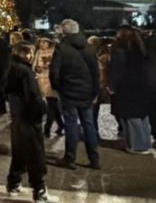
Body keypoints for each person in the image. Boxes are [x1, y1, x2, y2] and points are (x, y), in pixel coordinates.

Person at [49, 19, 100, 171]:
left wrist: (57, 88)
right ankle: (94, 159)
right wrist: (95, 91)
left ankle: (70, 158)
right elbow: (95, 72)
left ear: (65, 32)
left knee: (71, 125)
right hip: (86, 92)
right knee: (89, 125)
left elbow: (54, 71)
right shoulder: (89, 48)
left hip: (68, 92)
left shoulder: (62, 48)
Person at [5, 42, 50, 203]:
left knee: (19, 151)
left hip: (18, 117)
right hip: (29, 117)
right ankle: (39, 189)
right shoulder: (25, 72)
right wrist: (42, 108)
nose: (32, 56)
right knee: (35, 154)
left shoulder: (10, 68)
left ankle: (14, 182)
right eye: (29, 53)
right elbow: (33, 96)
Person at [108, 27, 156, 154]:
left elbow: (117, 71)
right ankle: (145, 143)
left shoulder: (119, 52)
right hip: (143, 87)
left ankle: (136, 145)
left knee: (130, 117)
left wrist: (111, 86)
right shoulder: (144, 50)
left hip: (126, 88)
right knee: (142, 116)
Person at [33, 38, 64, 137]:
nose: (42, 44)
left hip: (52, 81)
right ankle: (61, 125)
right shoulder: (38, 52)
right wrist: (37, 68)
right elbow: (34, 65)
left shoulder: (55, 52)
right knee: (53, 104)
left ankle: (47, 128)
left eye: (44, 42)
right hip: (42, 80)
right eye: (41, 42)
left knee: (51, 103)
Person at [89, 36, 113, 133]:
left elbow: (102, 72)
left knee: (94, 109)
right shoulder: (100, 55)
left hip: (100, 85)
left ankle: (93, 130)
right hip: (100, 85)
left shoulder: (102, 57)